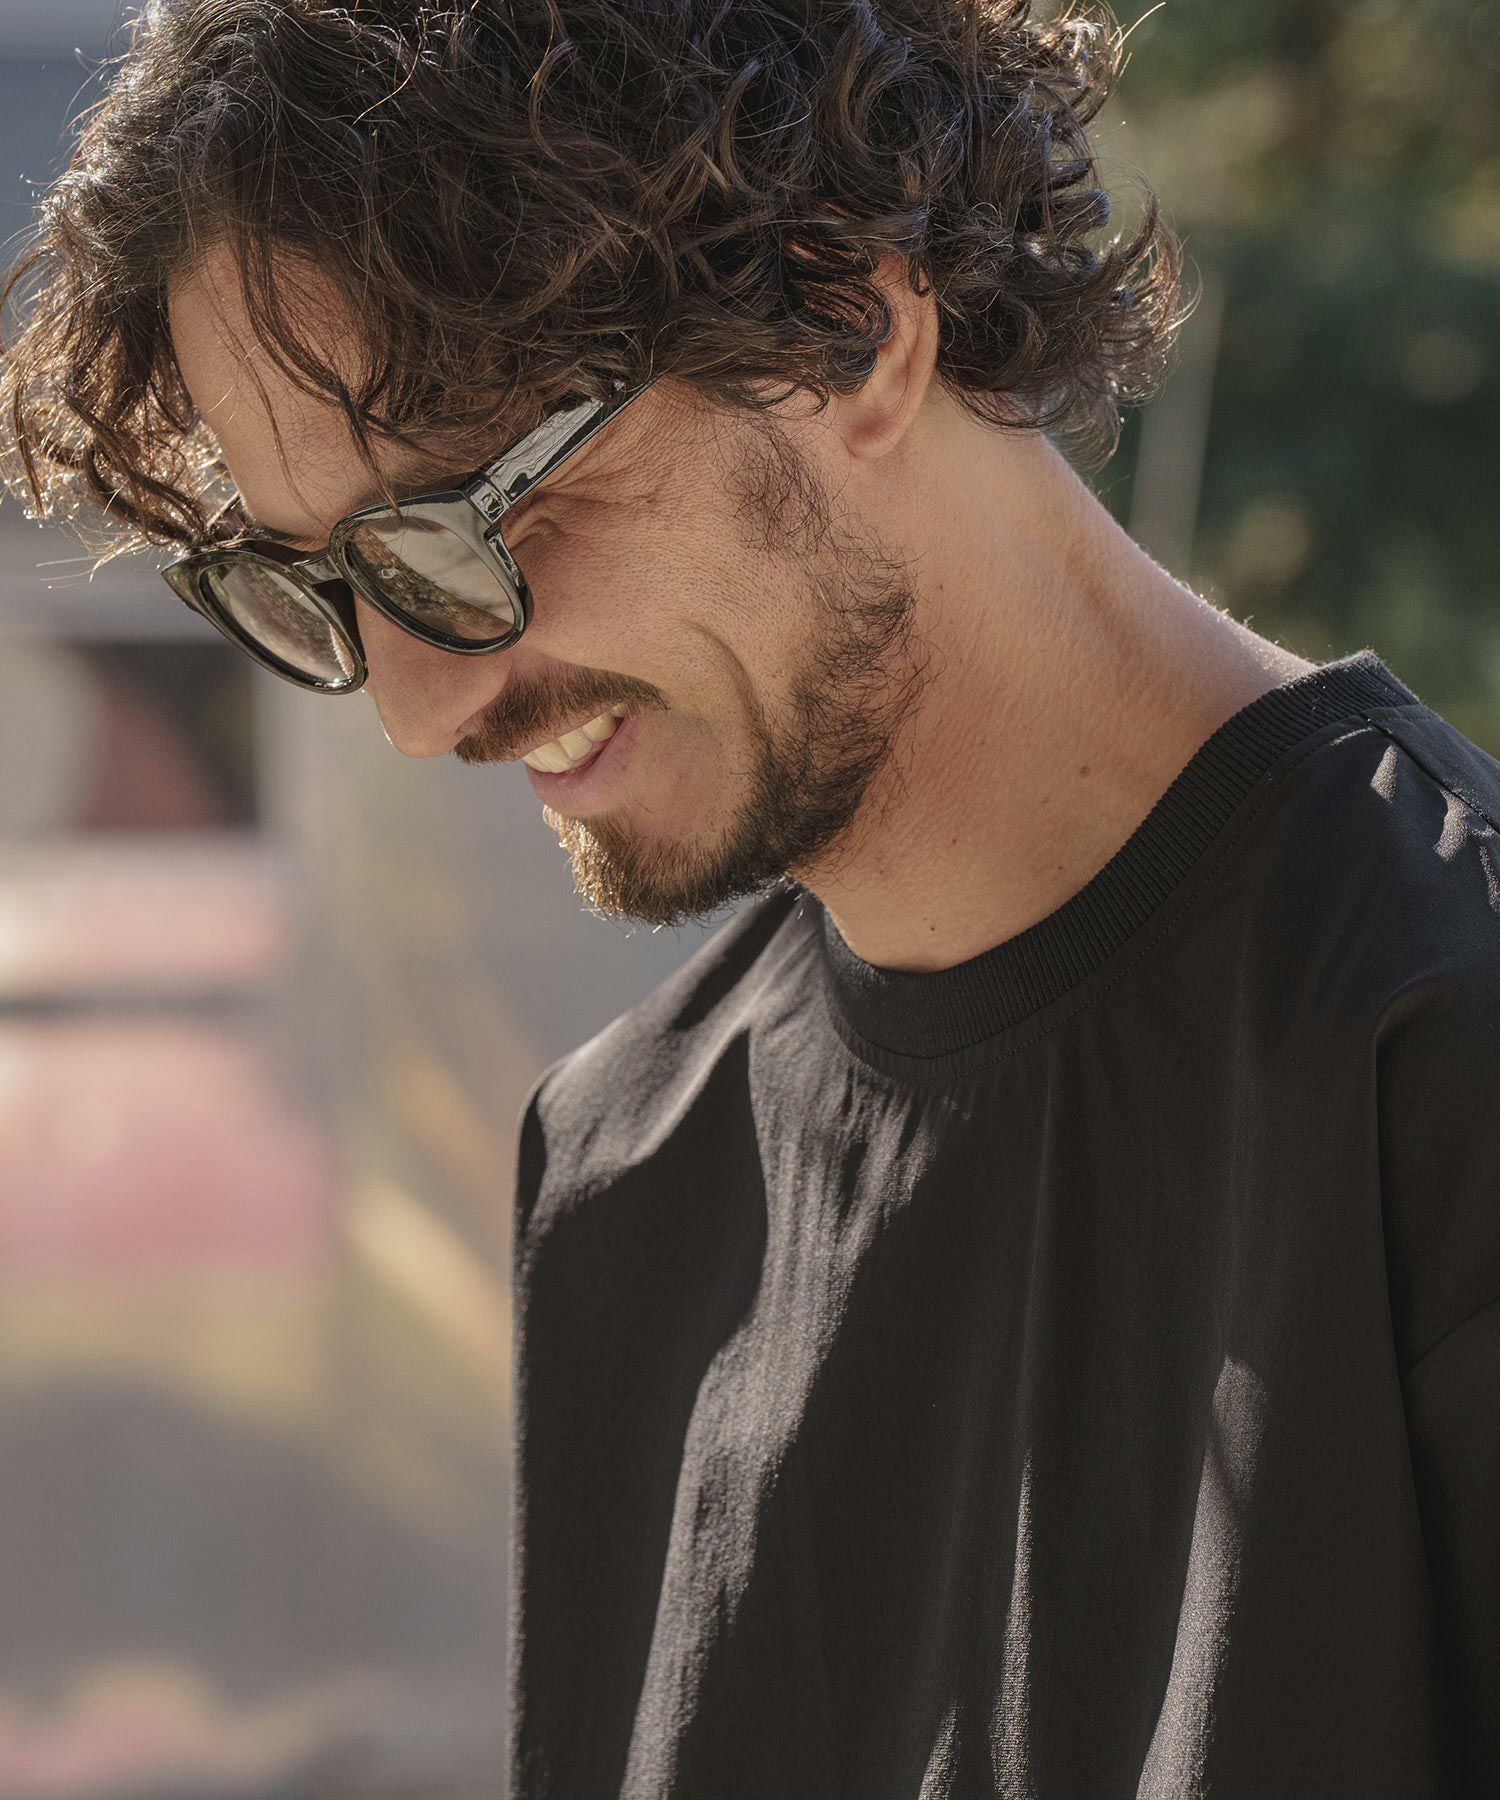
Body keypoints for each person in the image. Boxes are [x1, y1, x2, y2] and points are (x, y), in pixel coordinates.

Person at [2, 2, 1495, 1794]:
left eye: (464, 526)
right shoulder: (630, 1173)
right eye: (324, 584)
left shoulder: (1443, 1066)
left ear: (851, 323)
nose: (417, 707)